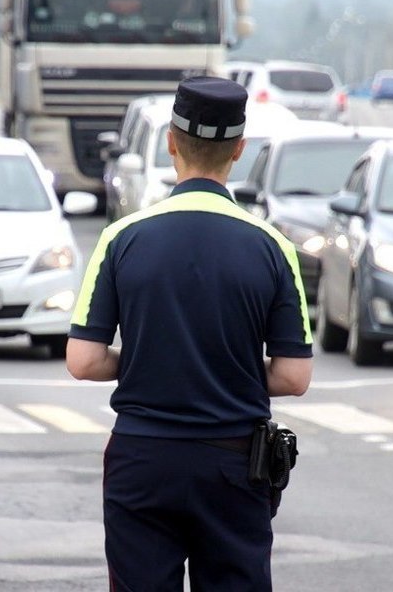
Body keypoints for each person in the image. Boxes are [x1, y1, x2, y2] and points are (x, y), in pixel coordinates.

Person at [66, 76, 314, 590]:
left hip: (143, 457)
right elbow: (293, 377)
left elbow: (84, 361)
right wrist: (226, 367)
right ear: (240, 151)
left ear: (171, 143)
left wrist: (148, 362)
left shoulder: (120, 239)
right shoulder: (273, 247)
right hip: (234, 461)